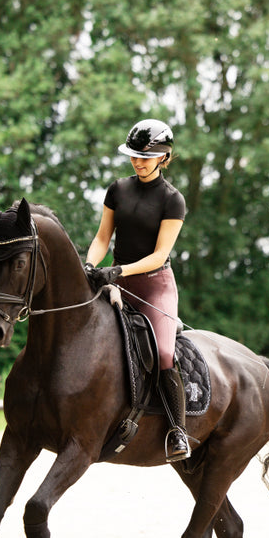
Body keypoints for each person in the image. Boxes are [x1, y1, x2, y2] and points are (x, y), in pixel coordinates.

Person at [85, 118, 191, 463]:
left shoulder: (173, 200)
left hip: (154, 286)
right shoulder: (118, 189)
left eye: (145, 157)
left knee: (162, 354)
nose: (137, 161)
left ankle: (177, 431)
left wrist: (117, 271)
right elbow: (103, 238)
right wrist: (91, 267)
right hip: (115, 280)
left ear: (165, 158)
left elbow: (160, 255)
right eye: (133, 155)